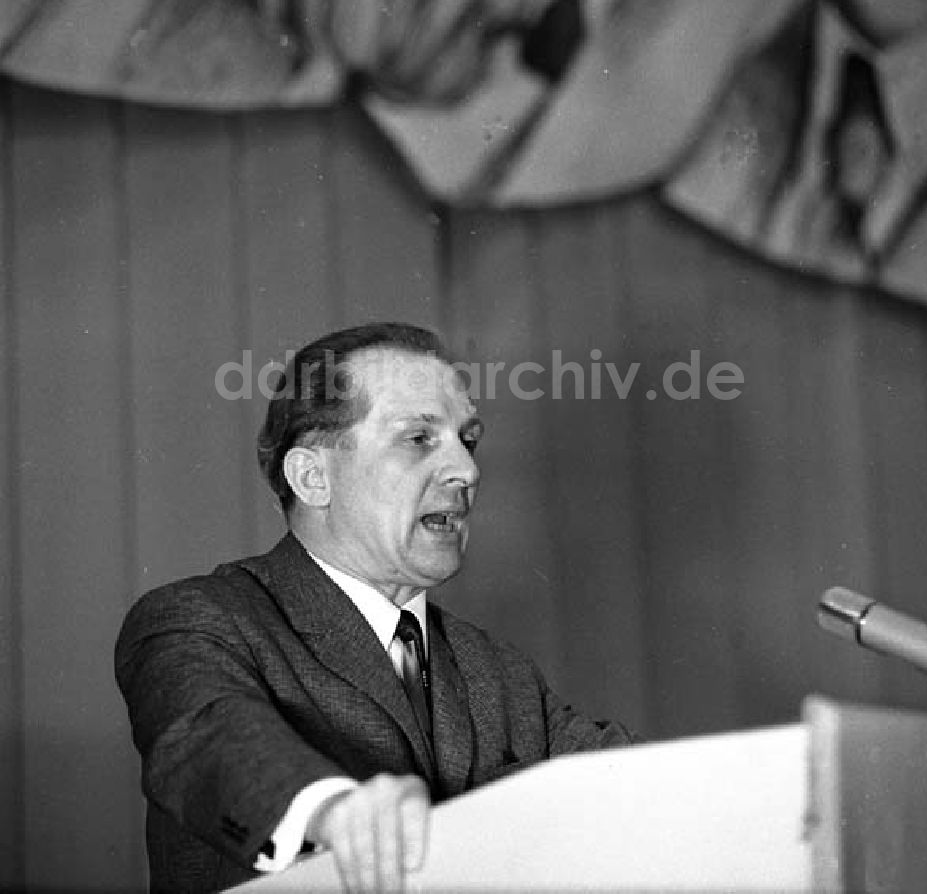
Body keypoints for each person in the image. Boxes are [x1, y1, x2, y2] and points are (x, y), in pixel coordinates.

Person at [115, 322, 634, 894]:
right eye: (418, 438)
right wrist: (334, 811)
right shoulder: (199, 618)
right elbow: (207, 739)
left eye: (469, 440)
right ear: (312, 477)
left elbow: (628, 786)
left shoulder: (502, 671)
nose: (467, 472)